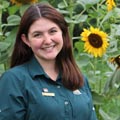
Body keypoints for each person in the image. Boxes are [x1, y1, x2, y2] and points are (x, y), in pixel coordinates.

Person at [0, 2, 97, 120]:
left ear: (63, 32)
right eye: (37, 35)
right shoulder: (14, 80)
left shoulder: (80, 79)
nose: (47, 40)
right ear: (26, 40)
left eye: (52, 31)